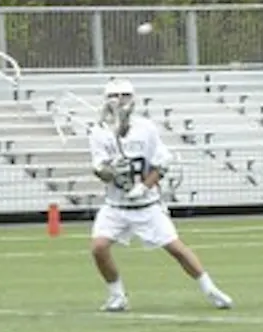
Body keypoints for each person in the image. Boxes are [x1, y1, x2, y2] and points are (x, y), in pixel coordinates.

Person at [88, 77, 234, 313]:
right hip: (115, 205)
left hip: (146, 205)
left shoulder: (146, 128)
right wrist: (110, 170)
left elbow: (162, 164)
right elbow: (101, 171)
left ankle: (210, 289)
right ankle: (117, 296)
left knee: (176, 249)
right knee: (98, 247)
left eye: (124, 96)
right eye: (114, 97)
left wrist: (144, 187)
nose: (119, 101)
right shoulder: (99, 133)